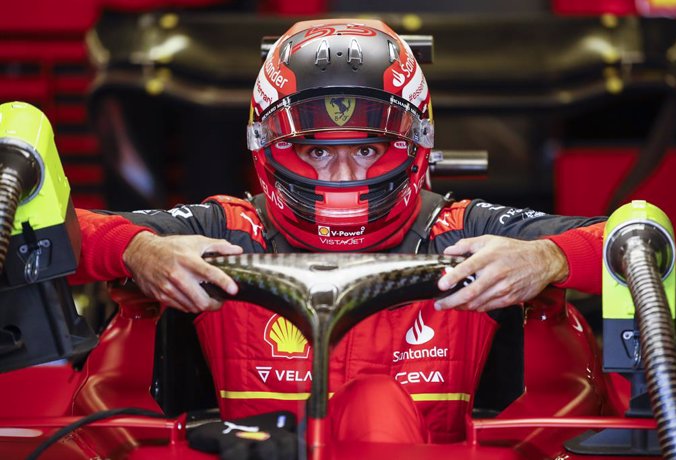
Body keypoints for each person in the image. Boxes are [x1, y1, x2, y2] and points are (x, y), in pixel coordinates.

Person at [71, 19, 606, 445]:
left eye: (367, 149)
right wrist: (138, 249)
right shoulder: (228, 230)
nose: (345, 176)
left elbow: (638, 234)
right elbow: (56, 236)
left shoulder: (461, 231)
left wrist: (547, 259)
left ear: (415, 144)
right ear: (270, 147)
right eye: (318, 150)